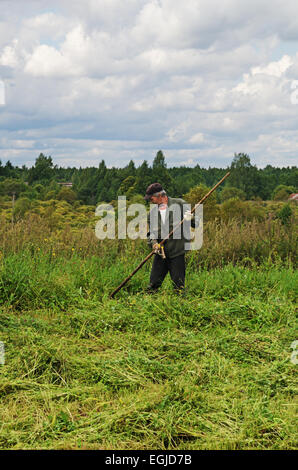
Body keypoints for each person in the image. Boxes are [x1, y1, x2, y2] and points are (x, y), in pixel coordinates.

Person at [144, 182, 196, 293]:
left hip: (177, 252)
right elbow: (151, 234)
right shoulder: (152, 214)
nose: (150, 201)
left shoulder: (180, 204)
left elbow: (197, 224)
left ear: (159, 196)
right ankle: (150, 306)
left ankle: (181, 306)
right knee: (152, 286)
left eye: (151, 198)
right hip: (160, 252)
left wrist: (191, 218)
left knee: (179, 287)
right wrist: (153, 244)